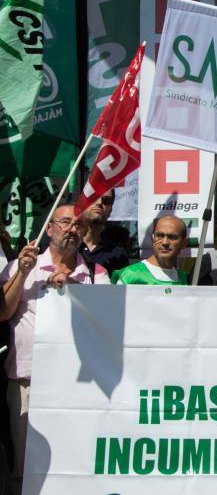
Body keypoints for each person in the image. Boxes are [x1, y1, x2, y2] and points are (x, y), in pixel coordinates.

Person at [0, 203, 110, 495]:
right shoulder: (22, 266)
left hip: (74, 387)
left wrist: (74, 289)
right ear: (48, 229)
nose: (72, 229)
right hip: (28, 382)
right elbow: (3, 312)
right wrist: (23, 273)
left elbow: (104, 325)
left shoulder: (97, 275)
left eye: (78, 225)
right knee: (24, 468)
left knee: (70, 463)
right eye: (65, 223)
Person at [112, 216, 188, 285]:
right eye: (160, 236)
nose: (165, 242)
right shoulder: (130, 275)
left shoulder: (185, 279)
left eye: (172, 237)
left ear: (184, 243)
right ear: (153, 238)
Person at [78, 189, 129, 277]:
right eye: (93, 197)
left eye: (106, 200)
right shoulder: (64, 245)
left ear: (110, 211)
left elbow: (120, 289)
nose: (99, 203)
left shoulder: (117, 254)